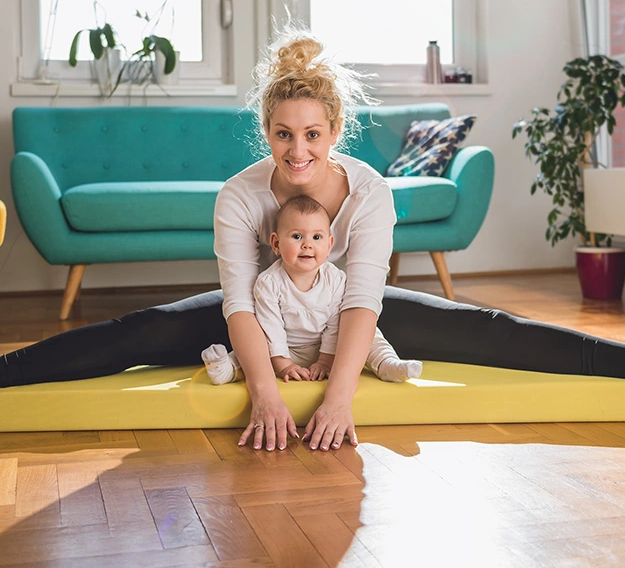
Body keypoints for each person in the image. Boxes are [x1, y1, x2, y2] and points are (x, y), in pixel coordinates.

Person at [4, 27, 625, 454]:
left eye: (311, 135)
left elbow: (362, 300)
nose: (297, 152)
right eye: (282, 135)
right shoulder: (239, 196)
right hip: (265, 319)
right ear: (266, 133)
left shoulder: (370, 190)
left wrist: (340, 397)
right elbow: (240, 305)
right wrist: (267, 395)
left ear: (334, 131)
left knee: (488, 328)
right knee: (138, 331)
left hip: (350, 321)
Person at [202, 194, 422, 386]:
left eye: (317, 237)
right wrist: (284, 365)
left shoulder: (335, 279)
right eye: (297, 236)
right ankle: (226, 369)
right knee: (252, 346)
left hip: (329, 347)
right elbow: (271, 328)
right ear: (276, 244)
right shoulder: (268, 282)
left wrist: (326, 361)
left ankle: (387, 364)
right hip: (285, 348)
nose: (307, 244)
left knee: (367, 333)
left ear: (329, 244)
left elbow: (337, 323)